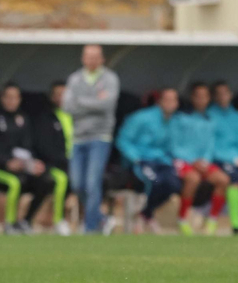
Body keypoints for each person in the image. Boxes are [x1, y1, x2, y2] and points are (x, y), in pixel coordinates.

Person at [0, 84, 55, 235]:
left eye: (16, 98)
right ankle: (9, 224)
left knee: (46, 180)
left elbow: (27, 147)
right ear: (2, 98)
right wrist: (6, 162)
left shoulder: (23, 118)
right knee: (15, 183)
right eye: (9, 97)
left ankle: (26, 221)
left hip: (21, 167)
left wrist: (31, 163)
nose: (12, 101)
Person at [64, 44, 119, 234]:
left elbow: (107, 104)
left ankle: (90, 227)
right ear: (83, 58)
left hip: (100, 137)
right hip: (78, 138)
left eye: (96, 57)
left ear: (102, 59)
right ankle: (101, 218)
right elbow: (67, 106)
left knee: (92, 182)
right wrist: (95, 102)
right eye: (88, 56)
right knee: (77, 184)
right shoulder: (75, 79)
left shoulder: (110, 79)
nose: (92, 60)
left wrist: (81, 102)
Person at [114, 88, 182, 234]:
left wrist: (176, 159)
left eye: (174, 100)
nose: (171, 103)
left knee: (174, 184)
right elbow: (123, 140)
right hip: (142, 161)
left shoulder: (174, 121)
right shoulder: (141, 118)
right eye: (168, 99)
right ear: (160, 101)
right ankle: (141, 218)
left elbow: (173, 147)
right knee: (154, 181)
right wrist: (136, 158)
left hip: (163, 162)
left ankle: (145, 213)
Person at [169, 83, 231, 235]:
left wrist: (204, 161)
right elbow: (173, 145)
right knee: (193, 179)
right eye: (198, 96)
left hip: (202, 162)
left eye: (205, 97)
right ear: (192, 98)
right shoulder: (180, 118)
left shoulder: (210, 121)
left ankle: (212, 221)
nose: (202, 100)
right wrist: (192, 161)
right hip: (183, 161)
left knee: (223, 180)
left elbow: (210, 145)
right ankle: (182, 219)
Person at [207, 80, 238, 235]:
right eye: (219, 94)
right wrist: (236, 160)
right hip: (219, 159)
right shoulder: (209, 116)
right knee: (234, 178)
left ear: (231, 95)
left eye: (225, 93)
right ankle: (236, 224)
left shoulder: (237, 116)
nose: (223, 97)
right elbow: (211, 146)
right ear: (214, 97)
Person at [43, 79, 74, 235]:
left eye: (65, 94)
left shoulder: (76, 116)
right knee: (62, 179)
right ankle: (58, 220)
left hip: (76, 163)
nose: (62, 98)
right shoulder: (46, 119)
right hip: (56, 164)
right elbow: (46, 147)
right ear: (52, 98)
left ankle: (94, 220)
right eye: (58, 95)